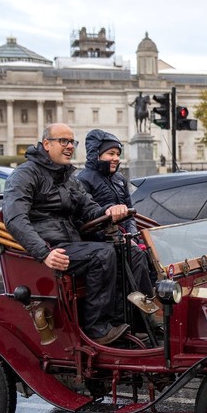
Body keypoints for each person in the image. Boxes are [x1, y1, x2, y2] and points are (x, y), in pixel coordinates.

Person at [2, 123, 131, 345]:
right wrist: (44, 253)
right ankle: (97, 329)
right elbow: (15, 219)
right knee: (102, 254)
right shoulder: (24, 174)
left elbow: (89, 208)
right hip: (50, 248)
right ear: (46, 144)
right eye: (64, 141)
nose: (70, 146)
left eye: (72, 142)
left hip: (70, 244)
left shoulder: (68, 177)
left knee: (127, 251)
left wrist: (107, 211)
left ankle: (126, 319)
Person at [77, 129, 156, 306]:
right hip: (101, 239)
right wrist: (121, 238)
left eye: (118, 154)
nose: (116, 158)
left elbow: (129, 213)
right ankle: (137, 315)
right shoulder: (83, 180)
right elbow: (84, 219)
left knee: (157, 248)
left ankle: (158, 302)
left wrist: (132, 235)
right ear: (96, 154)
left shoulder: (119, 178)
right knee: (135, 254)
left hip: (123, 237)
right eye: (110, 153)